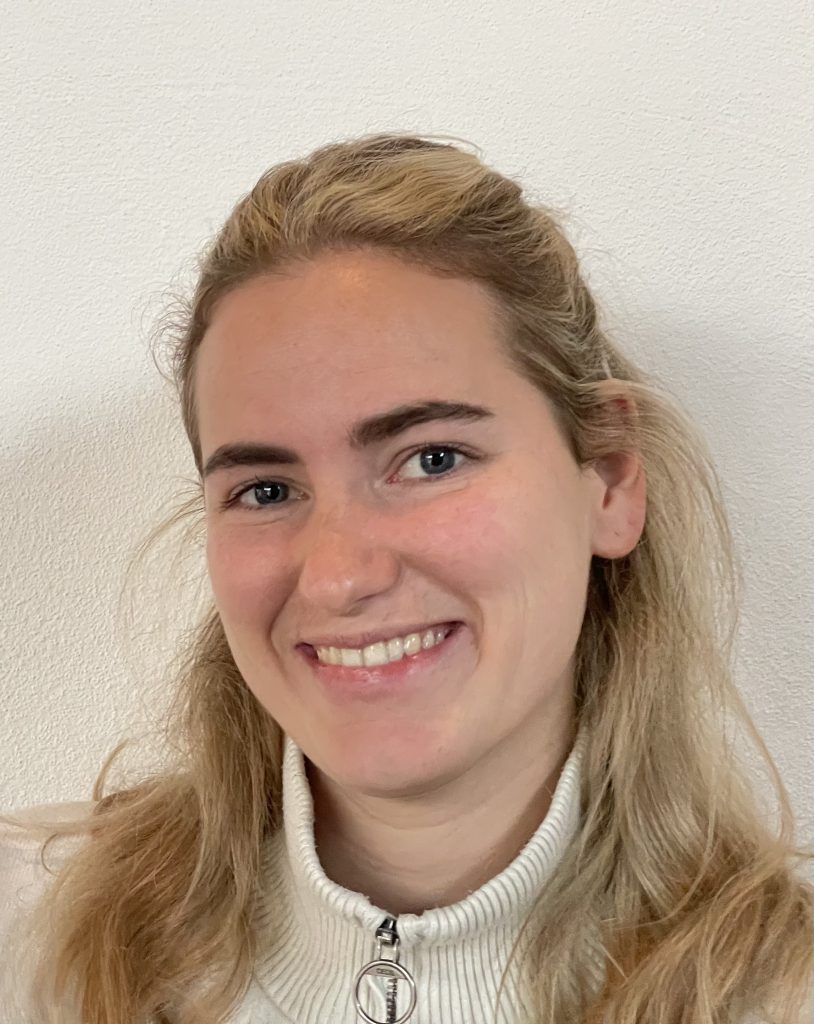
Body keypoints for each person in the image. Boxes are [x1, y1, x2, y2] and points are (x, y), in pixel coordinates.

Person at [1, 132, 811, 1024]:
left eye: (432, 459)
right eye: (266, 490)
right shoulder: (31, 936)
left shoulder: (783, 995)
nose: (339, 576)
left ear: (610, 479)